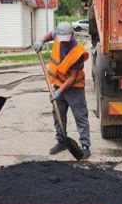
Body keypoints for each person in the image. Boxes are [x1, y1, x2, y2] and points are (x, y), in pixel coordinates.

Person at [34, 21, 91, 159]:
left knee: (80, 116)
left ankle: (85, 146)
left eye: (66, 39)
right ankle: (61, 142)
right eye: (61, 39)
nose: (63, 42)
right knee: (58, 115)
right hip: (57, 84)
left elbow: (72, 78)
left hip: (74, 88)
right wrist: (41, 41)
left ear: (73, 34)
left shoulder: (78, 52)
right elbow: (51, 35)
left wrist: (59, 92)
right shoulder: (59, 35)